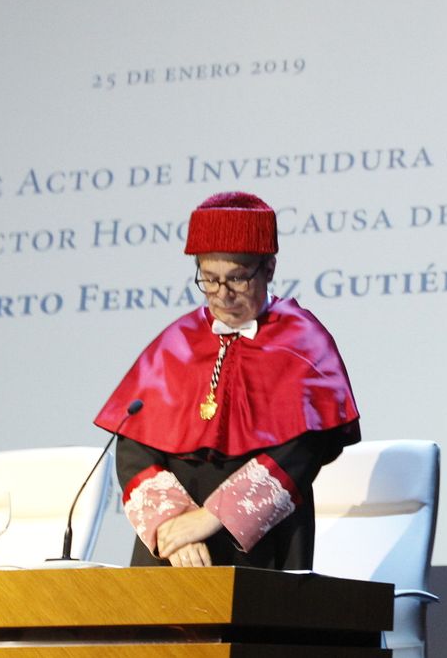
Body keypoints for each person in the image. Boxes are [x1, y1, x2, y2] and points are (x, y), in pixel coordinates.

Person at [94, 191, 359, 569]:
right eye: (209, 279)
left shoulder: (303, 341)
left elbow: (302, 451)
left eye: (236, 279)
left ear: (268, 268)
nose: (222, 294)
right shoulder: (177, 341)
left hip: (260, 544)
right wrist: (171, 526)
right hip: (173, 547)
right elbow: (135, 445)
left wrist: (211, 518)